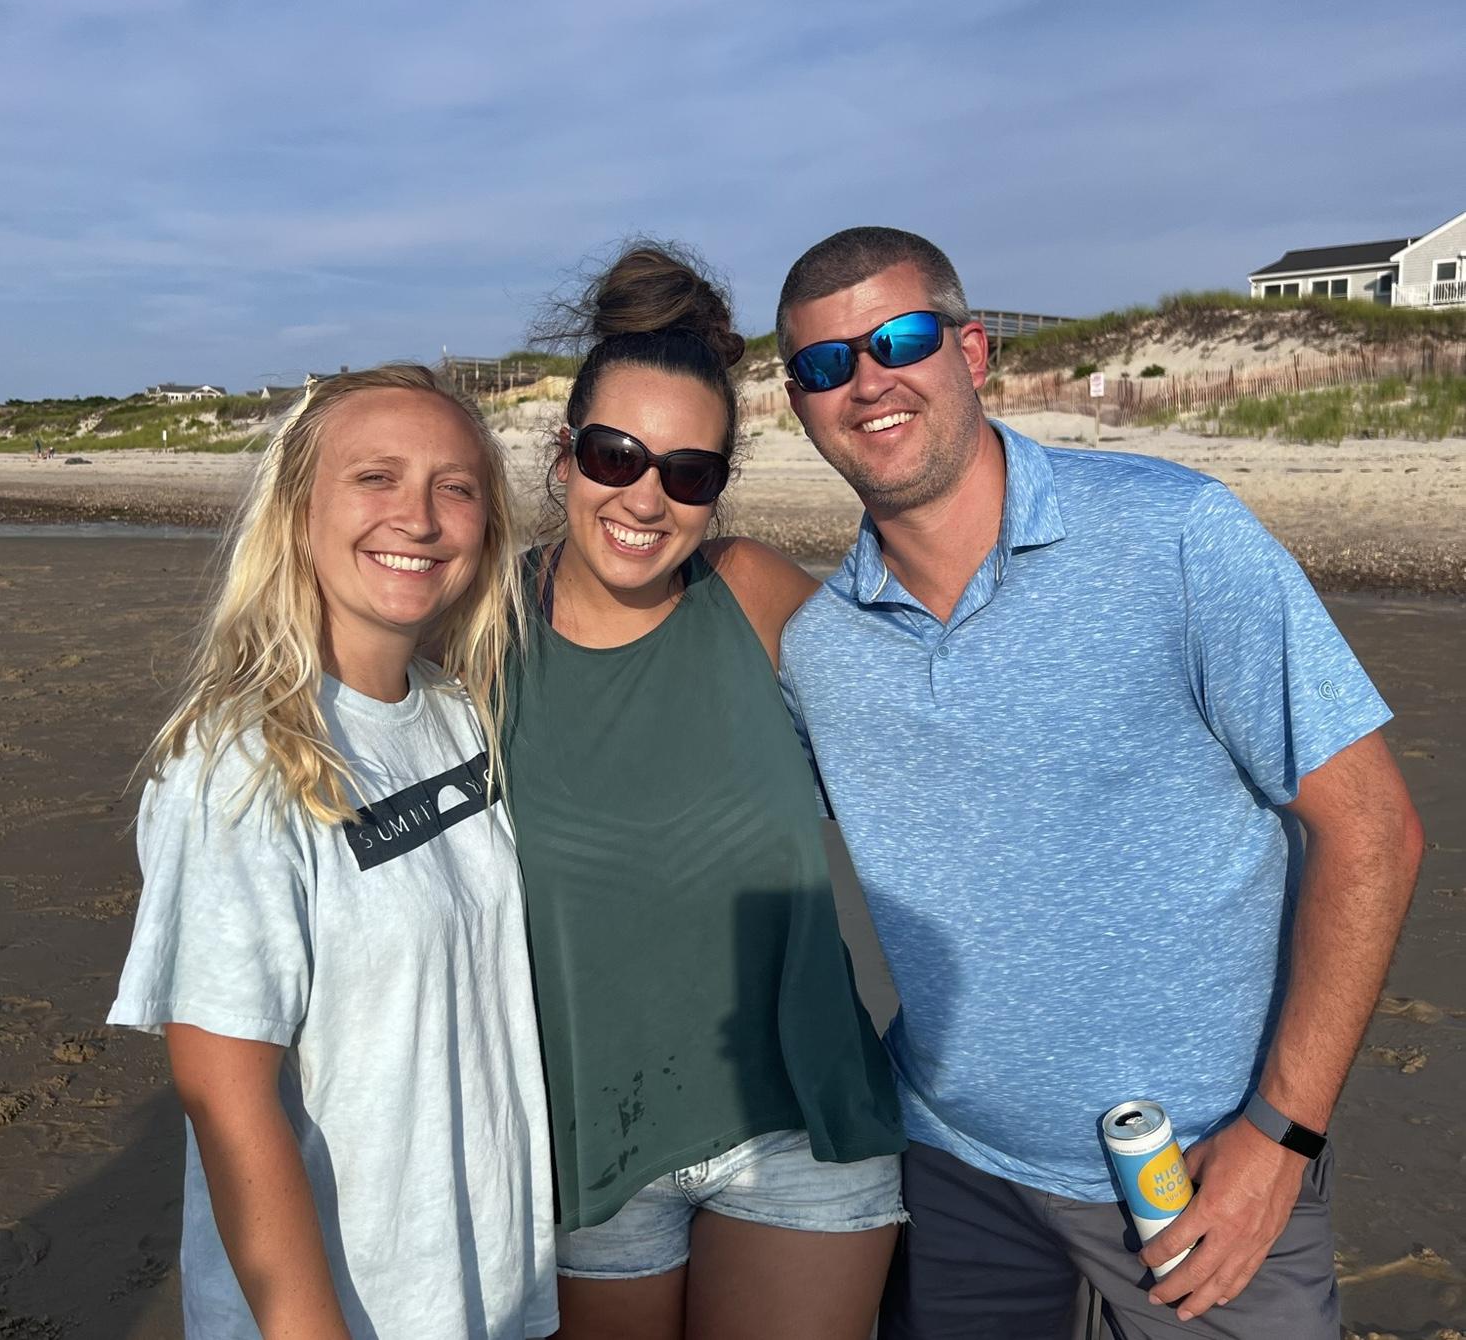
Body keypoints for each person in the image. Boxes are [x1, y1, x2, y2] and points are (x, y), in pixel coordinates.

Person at [773, 227, 1424, 1340]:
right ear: (798, 402)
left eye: (902, 339)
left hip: (1204, 1169)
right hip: (955, 1172)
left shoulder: (1175, 537)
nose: (868, 381)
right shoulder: (821, 649)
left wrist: (1282, 1138)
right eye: (826, 363)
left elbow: (1374, 831)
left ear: (972, 351)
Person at [502, 243, 907, 1340]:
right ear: (564, 456)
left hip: (801, 1129)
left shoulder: (752, 594)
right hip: (586, 1148)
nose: (646, 498)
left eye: (689, 473)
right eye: (615, 455)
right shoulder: (483, 630)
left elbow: (933, 745)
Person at [108, 364, 558, 1339]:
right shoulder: (239, 762)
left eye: (454, 487)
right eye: (375, 477)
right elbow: (225, 1096)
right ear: (297, 510)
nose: (419, 517)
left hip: (486, 1293)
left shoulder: (461, 718)